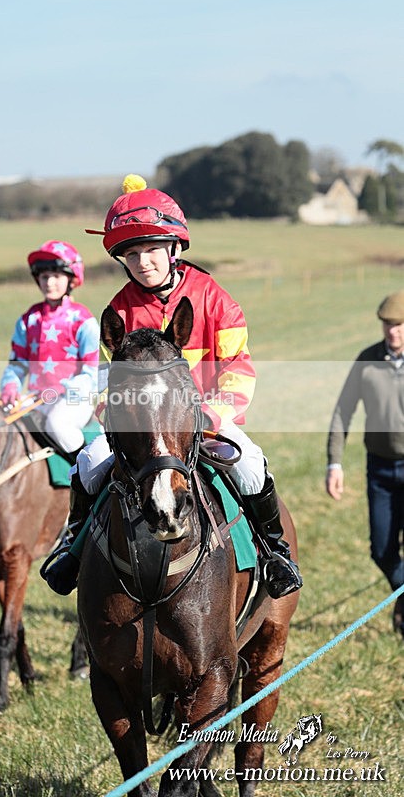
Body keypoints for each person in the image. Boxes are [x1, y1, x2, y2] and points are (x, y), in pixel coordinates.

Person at [43, 176, 302, 599]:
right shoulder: (119, 310)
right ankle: (73, 548)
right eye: (131, 254)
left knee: (251, 466)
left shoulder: (215, 298)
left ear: (174, 248)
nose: (142, 262)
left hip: (206, 420)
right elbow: (111, 381)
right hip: (141, 426)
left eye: (151, 250)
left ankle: (276, 554)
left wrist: (212, 413)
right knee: (88, 463)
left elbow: (238, 366)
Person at [326, 290, 404, 638]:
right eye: (387, 325)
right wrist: (335, 463)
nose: (392, 331)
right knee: (382, 550)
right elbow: (343, 411)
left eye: (399, 325)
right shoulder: (367, 360)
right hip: (380, 470)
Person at [0, 239, 99, 459]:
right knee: (1, 421)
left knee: (58, 424)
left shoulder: (83, 321)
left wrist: (68, 388)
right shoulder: (29, 320)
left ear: (71, 279)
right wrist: (10, 386)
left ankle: (88, 469)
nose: (50, 283)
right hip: (37, 397)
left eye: (56, 276)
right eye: (45, 277)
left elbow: (92, 372)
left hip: (74, 399)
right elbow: (17, 364)